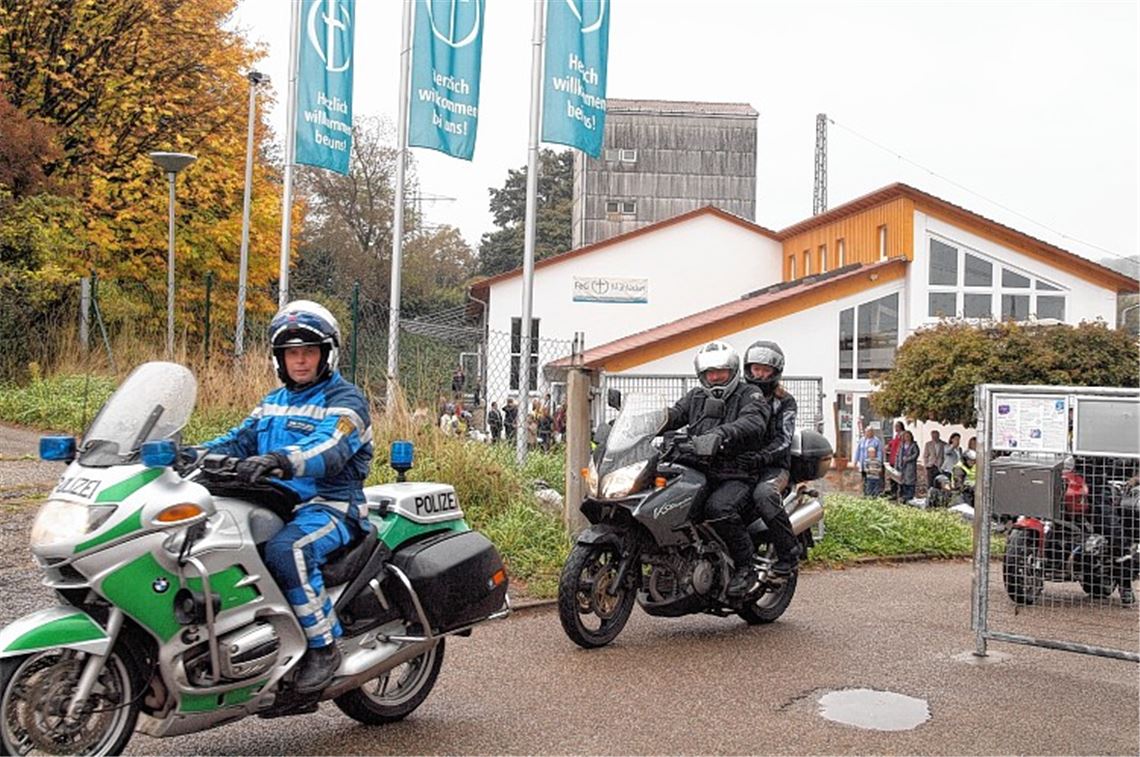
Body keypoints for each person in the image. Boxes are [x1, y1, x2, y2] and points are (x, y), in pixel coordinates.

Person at [202, 300, 372, 693]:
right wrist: (186, 454)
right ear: (279, 358)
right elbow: (236, 440)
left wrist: (279, 459)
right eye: (291, 353)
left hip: (331, 506)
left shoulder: (346, 400)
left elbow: (329, 447)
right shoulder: (273, 402)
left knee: (287, 550)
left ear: (326, 354)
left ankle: (323, 646)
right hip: (275, 502)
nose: (300, 361)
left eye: (308, 352)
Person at [662, 341, 770, 597]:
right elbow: (674, 415)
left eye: (720, 372)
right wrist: (640, 424)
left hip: (736, 472)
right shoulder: (697, 396)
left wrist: (721, 434)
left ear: (732, 371)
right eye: (709, 373)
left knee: (718, 508)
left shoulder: (749, 394)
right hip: (698, 469)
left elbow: (753, 421)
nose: (715, 378)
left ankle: (745, 567)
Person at [741, 340, 801, 577]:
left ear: (776, 372)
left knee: (764, 495)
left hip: (774, 467)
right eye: (756, 368)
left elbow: (784, 439)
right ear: (748, 368)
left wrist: (761, 456)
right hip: (740, 464)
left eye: (766, 370)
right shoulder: (739, 395)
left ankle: (789, 553)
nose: (760, 374)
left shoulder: (784, 401)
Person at [853, 426, 883, 491]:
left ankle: (871, 494)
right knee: (864, 478)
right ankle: (865, 493)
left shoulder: (876, 441)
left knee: (871, 479)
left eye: (869, 432)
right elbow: (858, 450)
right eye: (866, 431)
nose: (867, 433)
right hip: (863, 463)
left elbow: (879, 452)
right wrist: (855, 461)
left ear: (872, 432)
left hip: (872, 464)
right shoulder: (862, 440)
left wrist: (879, 462)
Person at [898, 429, 920, 502]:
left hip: (910, 466)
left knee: (910, 481)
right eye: (905, 436)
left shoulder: (914, 445)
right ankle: (904, 497)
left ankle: (910, 497)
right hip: (903, 466)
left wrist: (908, 459)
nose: (907, 438)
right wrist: (899, 463)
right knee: (903, 482)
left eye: (908, 436)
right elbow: (899, 455)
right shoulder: (902, 445)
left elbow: (916, 454)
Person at [886, 421, 906, 500]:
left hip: (898, 460)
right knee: (892, 477)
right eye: (895, 426)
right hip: (892, 459)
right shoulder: (896, 436)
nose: (895, 428)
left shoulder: (902, 435)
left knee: (898, 477)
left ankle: (900, 493)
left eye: (897, 426)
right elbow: (892, 444)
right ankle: (893, 493)